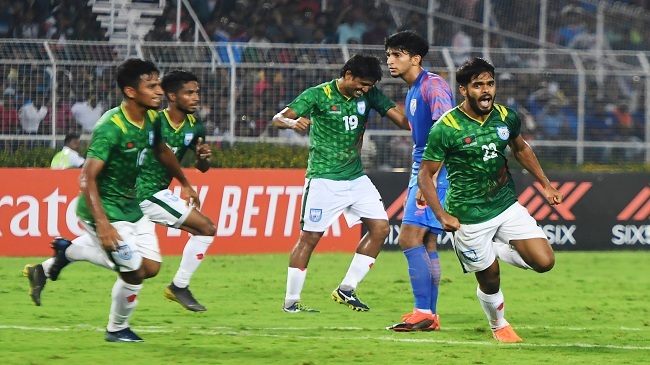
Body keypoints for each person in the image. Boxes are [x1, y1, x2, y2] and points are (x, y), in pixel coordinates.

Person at [23, 58, 199, 343]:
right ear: (131, 91)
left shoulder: (153, 118)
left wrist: (185, 182)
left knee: (151, 268)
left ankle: (59, 257)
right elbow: (87, 178)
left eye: (159, 84)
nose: (159, 91)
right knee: (133, 273)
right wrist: (103, 225)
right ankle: (117, 328)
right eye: (151, 85)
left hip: (133, 206)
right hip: (103, 211)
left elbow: (161, 149)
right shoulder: (111, 127)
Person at [417, 57, 563, 342]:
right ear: (463, 90)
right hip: (467, 216)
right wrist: (441, 215)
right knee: (490, 278)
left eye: (490, 84)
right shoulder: (446, 128)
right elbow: (426, 173)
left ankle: (494, 249)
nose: (486, 91)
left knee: (545, 262)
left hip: (505, 204)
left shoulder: (506, 117)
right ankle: (499, 325)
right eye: (477, 85)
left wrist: (545, 184)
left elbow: (520, 149)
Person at [274, 54, 409, 313]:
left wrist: (427, 117)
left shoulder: (369, 96)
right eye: (362, 84)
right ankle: (291, 302)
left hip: (356, 178)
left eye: (369, 85)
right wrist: (292, 122)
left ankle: (346, 289)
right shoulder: (318, 95)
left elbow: (403, 122)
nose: (365, 89)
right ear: (348, 75)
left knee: (381, 228)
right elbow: (278, 118)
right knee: (309, 239)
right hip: (324, 180)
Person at [384, 31, 454, 331]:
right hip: (425, 169)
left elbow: (445, 129)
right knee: (426, 242)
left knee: (408, 238)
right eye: (388, 55)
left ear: (416, 59)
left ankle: (423, 311)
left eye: (397, 55)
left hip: (433, 170)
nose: (390, 61)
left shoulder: (433, 85)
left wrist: (432, 180)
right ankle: (429, 315)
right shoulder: (414, 89)